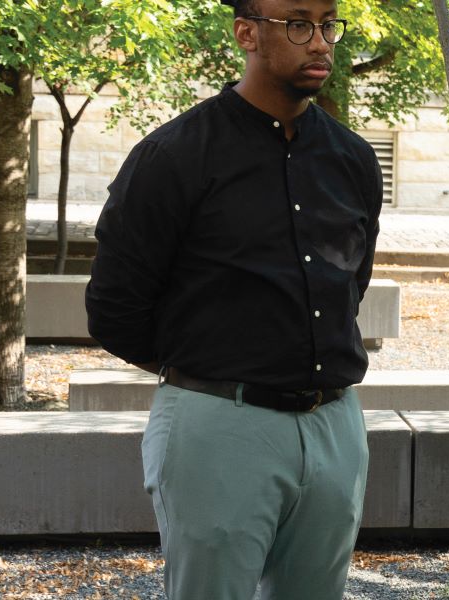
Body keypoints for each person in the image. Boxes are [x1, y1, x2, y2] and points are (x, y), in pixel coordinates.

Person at [84, 0, 382, 597]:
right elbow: (115, 309)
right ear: (247, 33)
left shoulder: (353, 159)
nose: (320, 42)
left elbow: (350, 285)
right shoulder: (173, 156)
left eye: (328, 24)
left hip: (335, 425)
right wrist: (210, 368)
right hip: (218, 421)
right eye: (298, 25)